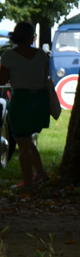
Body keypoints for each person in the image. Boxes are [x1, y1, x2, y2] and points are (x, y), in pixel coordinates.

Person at [0, 22, 53, 189]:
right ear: (31, 36)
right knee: (27, 139)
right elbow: (45, 75)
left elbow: (2, 81)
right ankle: (40, 173)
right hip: (40, 101)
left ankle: (28, 184)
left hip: (21, 101)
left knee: (23, 144)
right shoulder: (41, 55)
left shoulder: (8, 56)